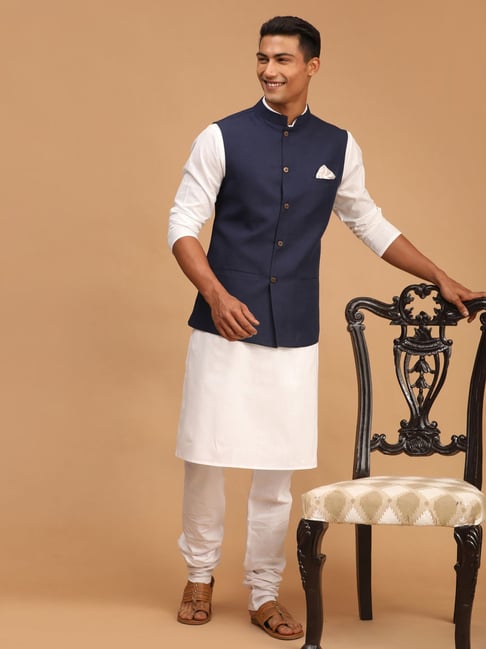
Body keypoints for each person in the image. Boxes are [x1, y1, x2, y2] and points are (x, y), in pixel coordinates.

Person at [168, 15, 485, 641]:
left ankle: (264, 591)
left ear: (312, 66)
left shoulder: (338, 146)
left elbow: (370, 222)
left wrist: (441, 276)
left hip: (294, 331)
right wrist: (215, 294)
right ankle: (199, 576)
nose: (269, 70)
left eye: (283, 59)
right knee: (205, 457)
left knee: (277, 470)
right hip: (222, 326)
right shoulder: (220, 137)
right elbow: (182, 225)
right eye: (262, 58)